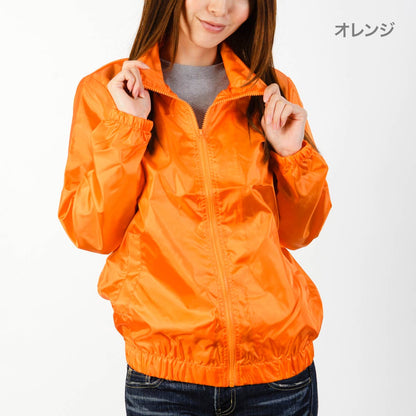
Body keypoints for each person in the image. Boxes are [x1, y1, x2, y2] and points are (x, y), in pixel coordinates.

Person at [57, 0, 332, 414]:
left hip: (279, 373)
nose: (220, 8)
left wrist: (291, 154)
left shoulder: (269, 89)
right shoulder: (109, 91)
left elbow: (300, 232)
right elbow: (92, 231)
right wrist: (129, 128)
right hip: (166, 380)